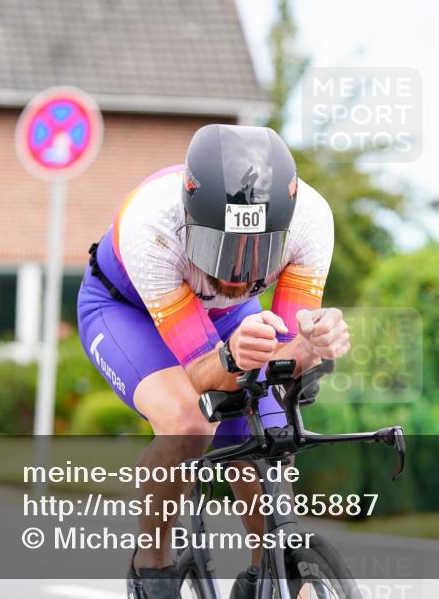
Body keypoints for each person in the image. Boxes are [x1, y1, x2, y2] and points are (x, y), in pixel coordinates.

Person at [77, 124, 350, 598]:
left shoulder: (311, 220)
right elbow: (200, 376)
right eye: (218, 246)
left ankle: (270, 576)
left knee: (269, 430)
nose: (238, 272)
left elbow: (285, 356)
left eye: (260, 250)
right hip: (126, 309)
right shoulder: (152, 224)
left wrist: (313, 345)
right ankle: (152, 564)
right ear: (190, 219)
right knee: (189, 424)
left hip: (227, 317)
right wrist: (229, 357)